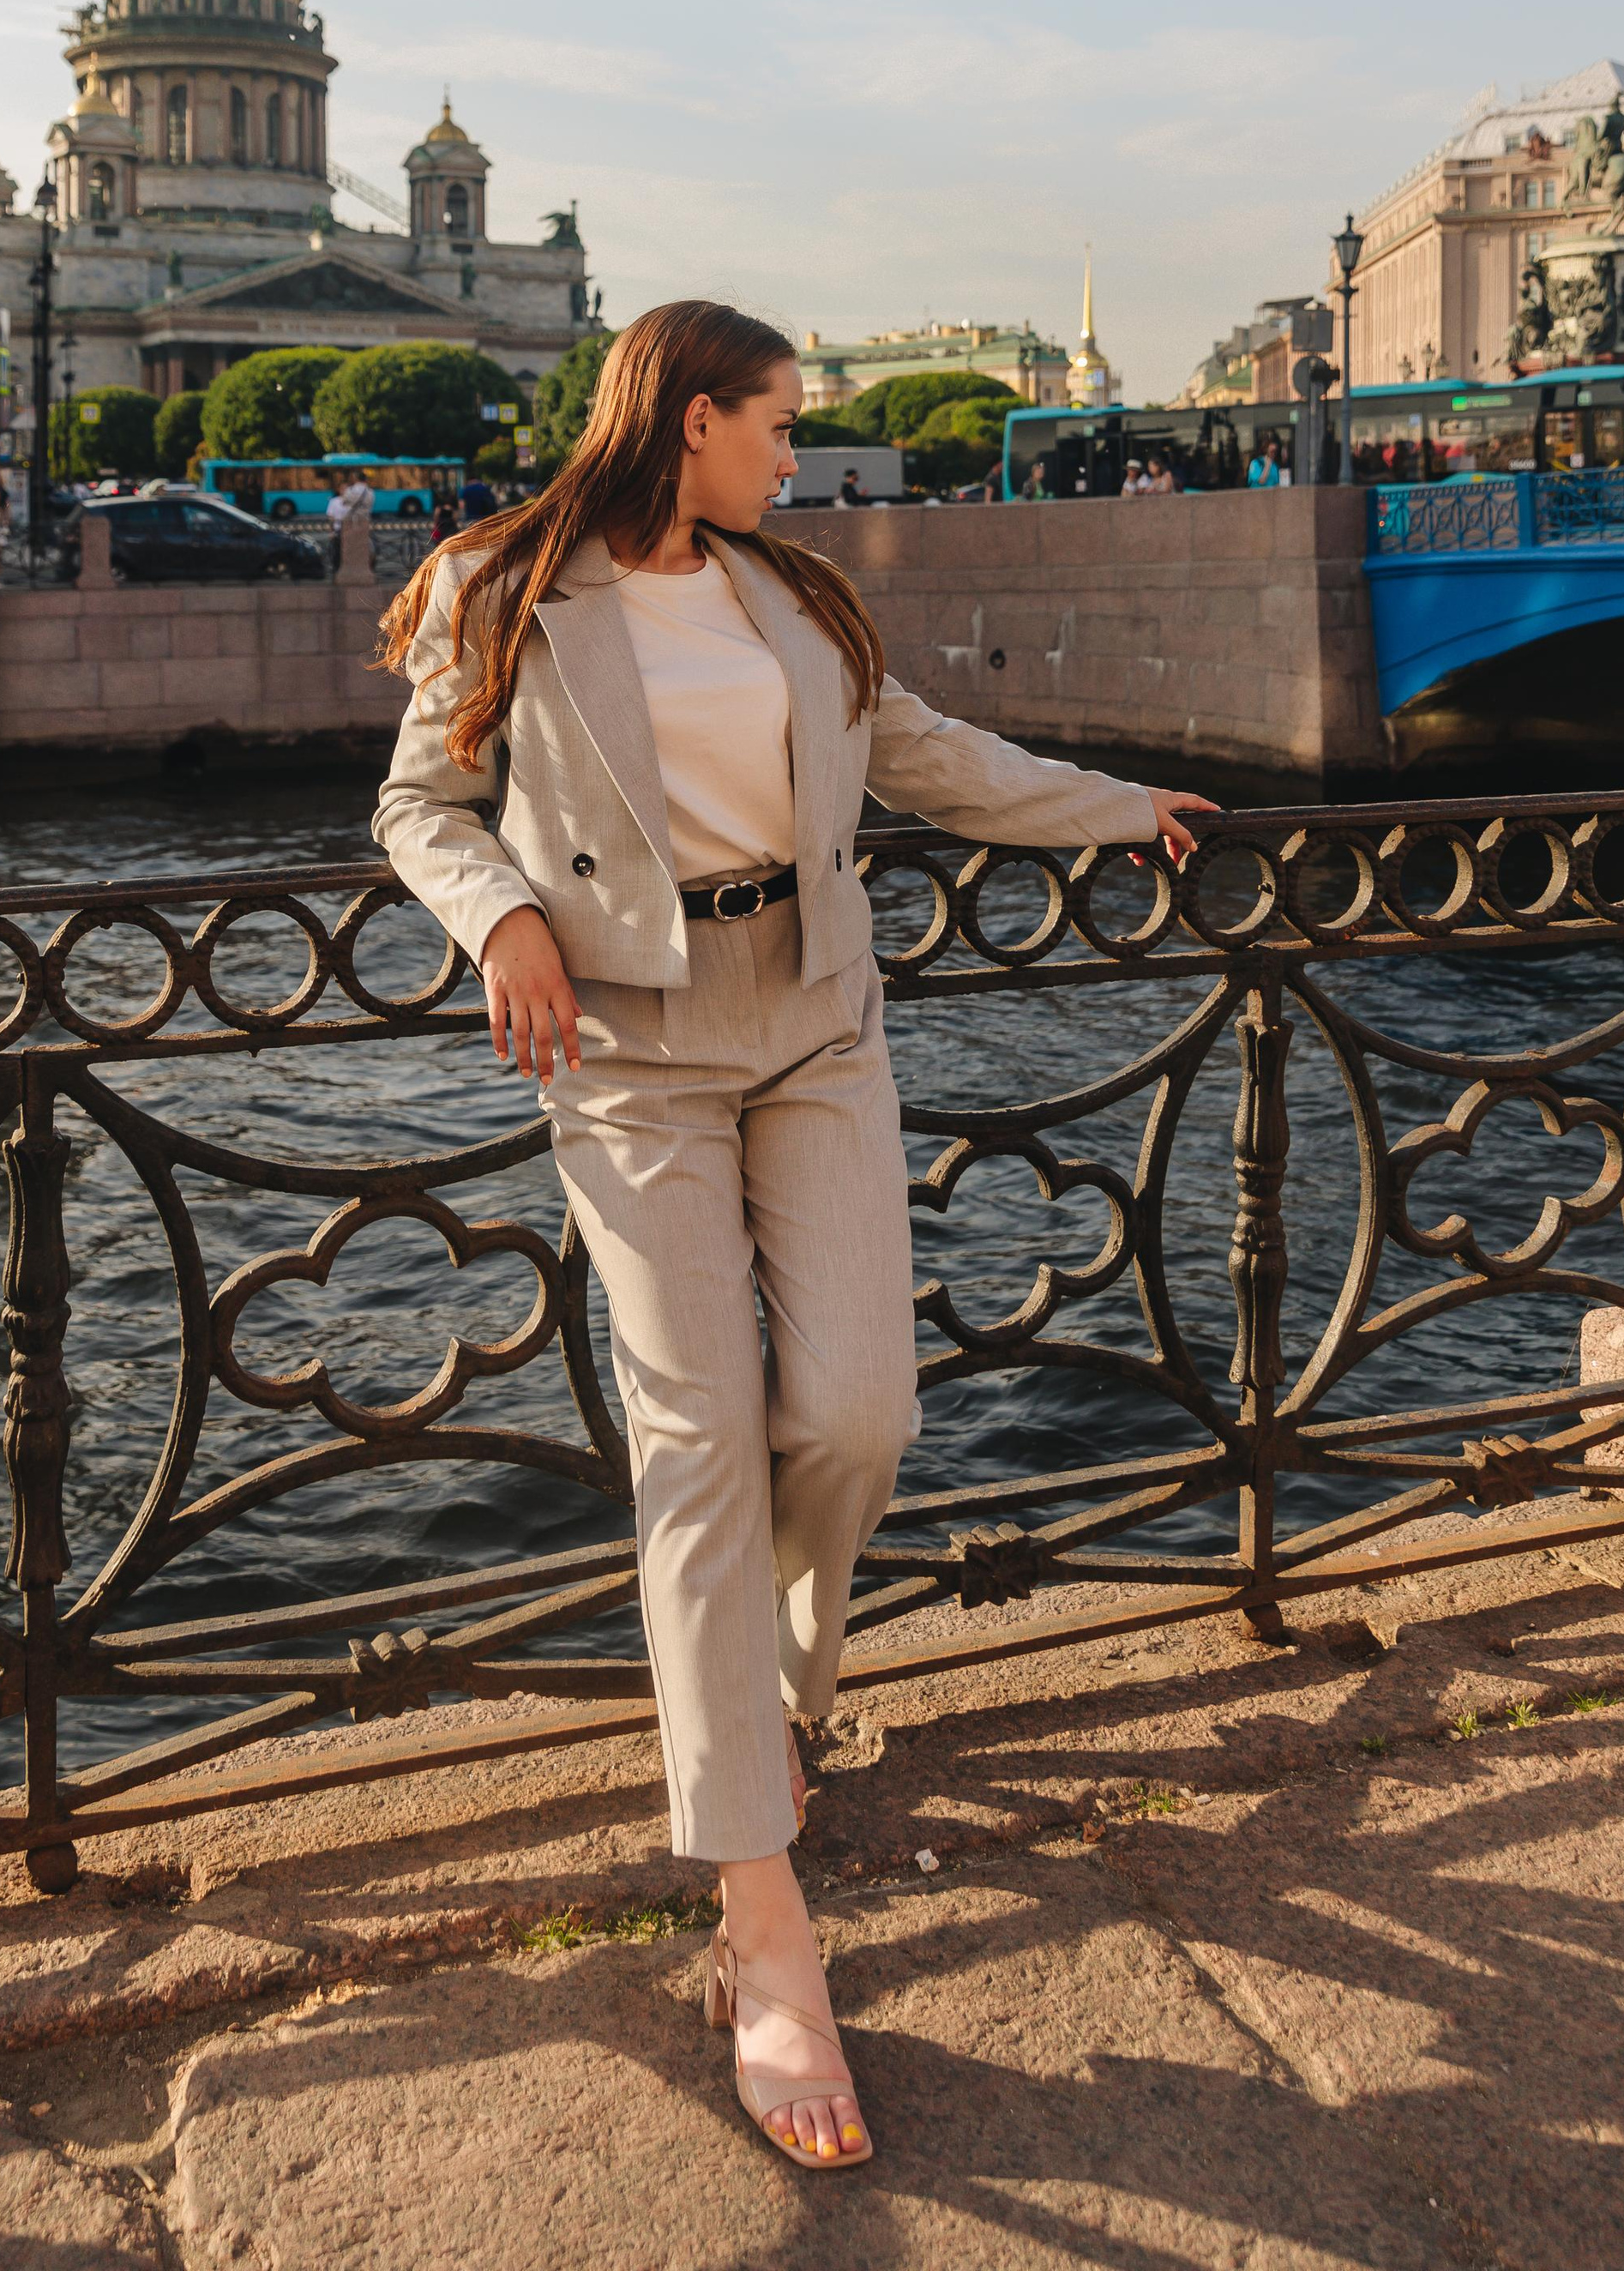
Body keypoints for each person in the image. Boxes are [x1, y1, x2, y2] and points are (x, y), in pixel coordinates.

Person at [373, 303, 1212, 2174]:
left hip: (814, 1007)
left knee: (853, 1417)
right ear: (689, 423)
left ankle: (780, 1696)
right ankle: (761, 1929)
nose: (793, 450)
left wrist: (1115, 810)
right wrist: (498, 918)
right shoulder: (496, 588)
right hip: (624, 1038)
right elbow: (418, 801)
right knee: (694, 1446)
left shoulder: (795, 598)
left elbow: (926, 758)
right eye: (773, 422)